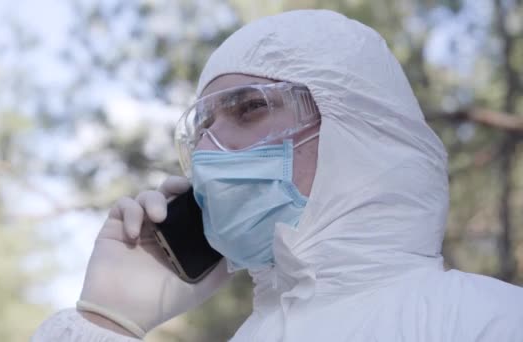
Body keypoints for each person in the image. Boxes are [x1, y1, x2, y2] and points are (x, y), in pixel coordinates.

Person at [32, 9, 523, 342]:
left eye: (247, 109)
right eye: (202, 128)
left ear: (358, 132)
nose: (207, 150)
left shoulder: (491, 322)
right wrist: (106, 321)